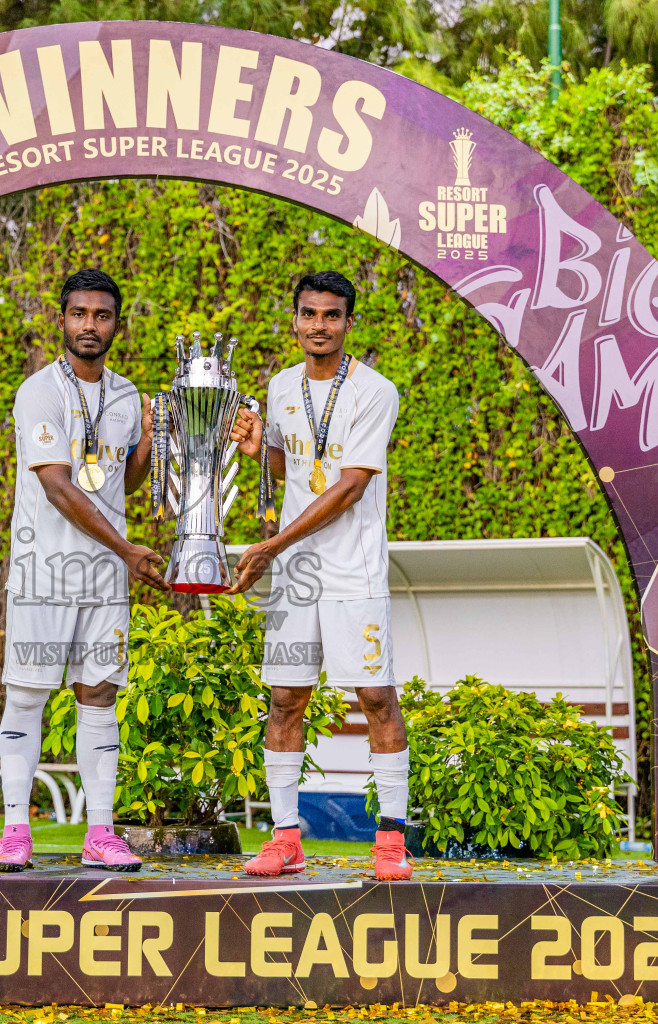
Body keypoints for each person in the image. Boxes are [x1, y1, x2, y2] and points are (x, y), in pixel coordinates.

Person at [227, 270, 410, 881]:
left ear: (348, 322)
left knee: (375, 696)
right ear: (295, 319)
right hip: (298, 574)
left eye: (331, 316)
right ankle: (284, 839)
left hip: (353, 568)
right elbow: (292, 466)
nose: (319, 327)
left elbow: (350, 486)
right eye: (308, 315)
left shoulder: (376, 391)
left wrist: (271, 545)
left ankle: (390, 843)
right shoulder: (280, 387)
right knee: (285, 697)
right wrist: (261, 452)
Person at [0, 268, 169, 873]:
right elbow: (59, 488)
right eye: (79, 314)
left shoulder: (126, 396)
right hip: (45, 572)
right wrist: (128, 550)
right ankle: (16, 830)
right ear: (61, 318)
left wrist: (149, 442)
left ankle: (100, 832)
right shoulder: (38, 390)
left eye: (102, 316)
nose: (89, 325)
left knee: (99, 698)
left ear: (117, 324)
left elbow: (122, 481)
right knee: (27, 696)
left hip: (104, 581)